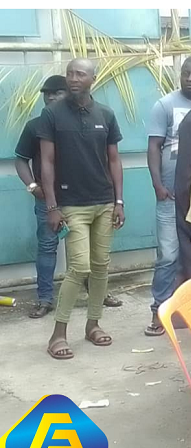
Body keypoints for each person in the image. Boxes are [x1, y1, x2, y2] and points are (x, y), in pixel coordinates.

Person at [38, 58, 125, 360]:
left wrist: (119, 201)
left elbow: (114, 160)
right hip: (71, 205)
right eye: (70, 74)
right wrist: (51, 205)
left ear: (92, 79)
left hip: (103, 202)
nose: (73, 79)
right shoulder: (52, 115)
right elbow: (46, 162)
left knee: (101, 266)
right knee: (79, 268)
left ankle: (93, 325)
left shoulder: (106, 115)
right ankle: (58, 333)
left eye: (80, 74)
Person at [15, 76, 122, 319]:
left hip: (84, 196)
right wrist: (33, 185)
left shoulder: (91, 119)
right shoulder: (37, 125)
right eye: (47, 94)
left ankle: (96, 294)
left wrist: (116, 199)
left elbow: (109, 158)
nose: (51, 97)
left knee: (91, 254)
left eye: (57, 93)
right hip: (49, 200)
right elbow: (21, 159)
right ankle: (45, 298)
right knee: (47, 246)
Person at [145, 56, 191, 337]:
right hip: (170, 194)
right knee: (168, 255)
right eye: (186, 74)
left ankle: (189, 310)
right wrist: (158, 185)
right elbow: (154, 147)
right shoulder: (165, 105)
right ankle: (159, 310)